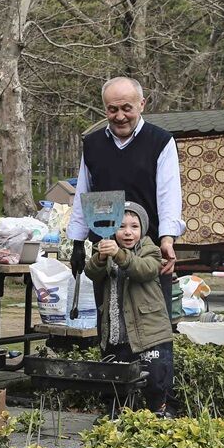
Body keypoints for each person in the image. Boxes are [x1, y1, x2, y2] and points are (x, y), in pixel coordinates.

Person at [68, 77, 184, 319]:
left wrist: (167, 239)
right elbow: (83, 193)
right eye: (112, 109)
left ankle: (151, 358)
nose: (120, 116)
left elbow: (169, 194)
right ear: (105, 109)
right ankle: (110, 357)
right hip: (106, 245)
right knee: (110, 317)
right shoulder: (93, 144)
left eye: (126, 108)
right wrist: (77, 242)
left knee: (149, 317)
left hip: (147, 249)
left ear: (141, 104)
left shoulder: (160, 141)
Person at [85, 202, 174, 415]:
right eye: (121, 226)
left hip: (149, 332)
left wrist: (119, 255)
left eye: (134, 226)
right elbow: (91, 273)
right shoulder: (106, 248)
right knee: (117, 379)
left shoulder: (149, 249)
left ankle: (159, 413)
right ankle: (118, 414)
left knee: (154, 378)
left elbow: (145, 270)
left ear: (142, 229)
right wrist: (100, 257)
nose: (127, 232)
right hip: (118, 333)